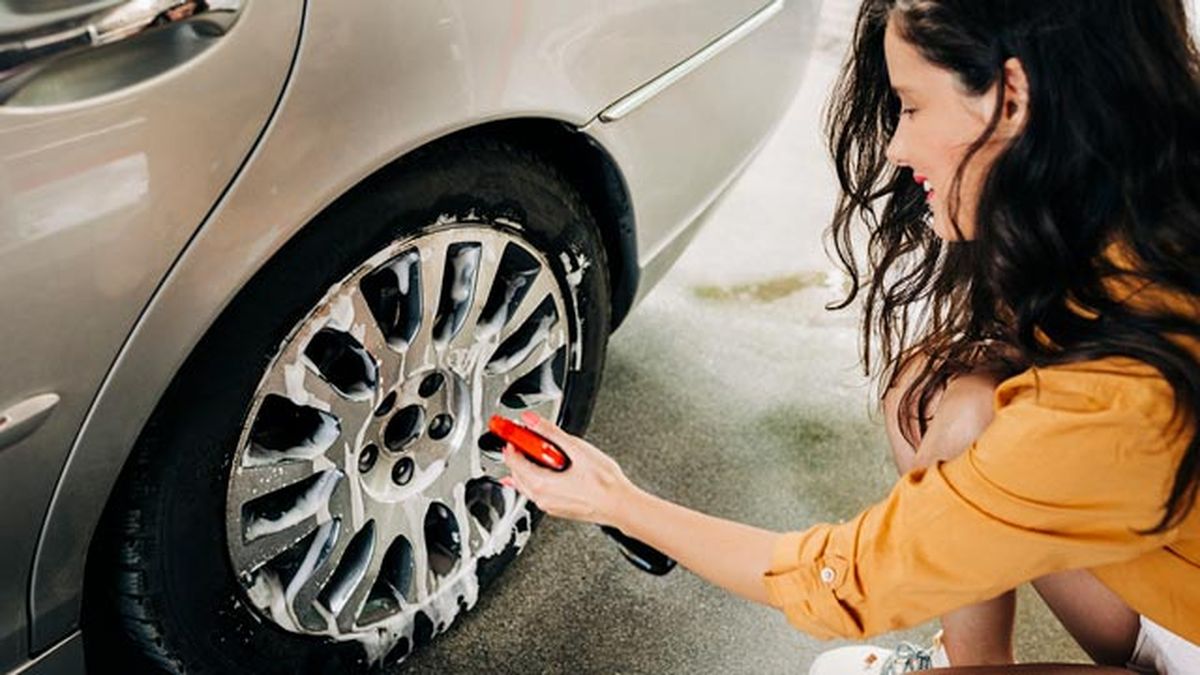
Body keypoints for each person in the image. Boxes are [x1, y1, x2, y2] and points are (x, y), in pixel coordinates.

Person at [499, 0, 1200, 672]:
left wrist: (618, 500)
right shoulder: (1145, 214)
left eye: (913, 105)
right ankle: (975, 663)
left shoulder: (1119, 398)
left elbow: (849, 578)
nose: (896, 145)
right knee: (938, 395)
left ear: (1010, 99)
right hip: (1172, 593)